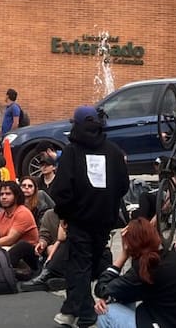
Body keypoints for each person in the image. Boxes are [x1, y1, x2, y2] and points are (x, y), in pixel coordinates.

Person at [50, 105, 130, 328]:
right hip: (104, 220)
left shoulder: (72, 152)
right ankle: (76, 309)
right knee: (88, 263)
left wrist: (64, 214)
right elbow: (123, 185)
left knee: (79, 265)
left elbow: (61, 190)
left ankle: (83, 313)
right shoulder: (114, 151)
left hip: (79, 219)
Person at [93, 217, 176, 328]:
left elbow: (101, 288)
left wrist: (123, 255)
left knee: (104, 313)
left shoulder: (147, 268)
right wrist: (109, 295)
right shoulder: (168, 257)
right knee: (120, 297)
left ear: (128, 245)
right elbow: (116, 290)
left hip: (175, 322)